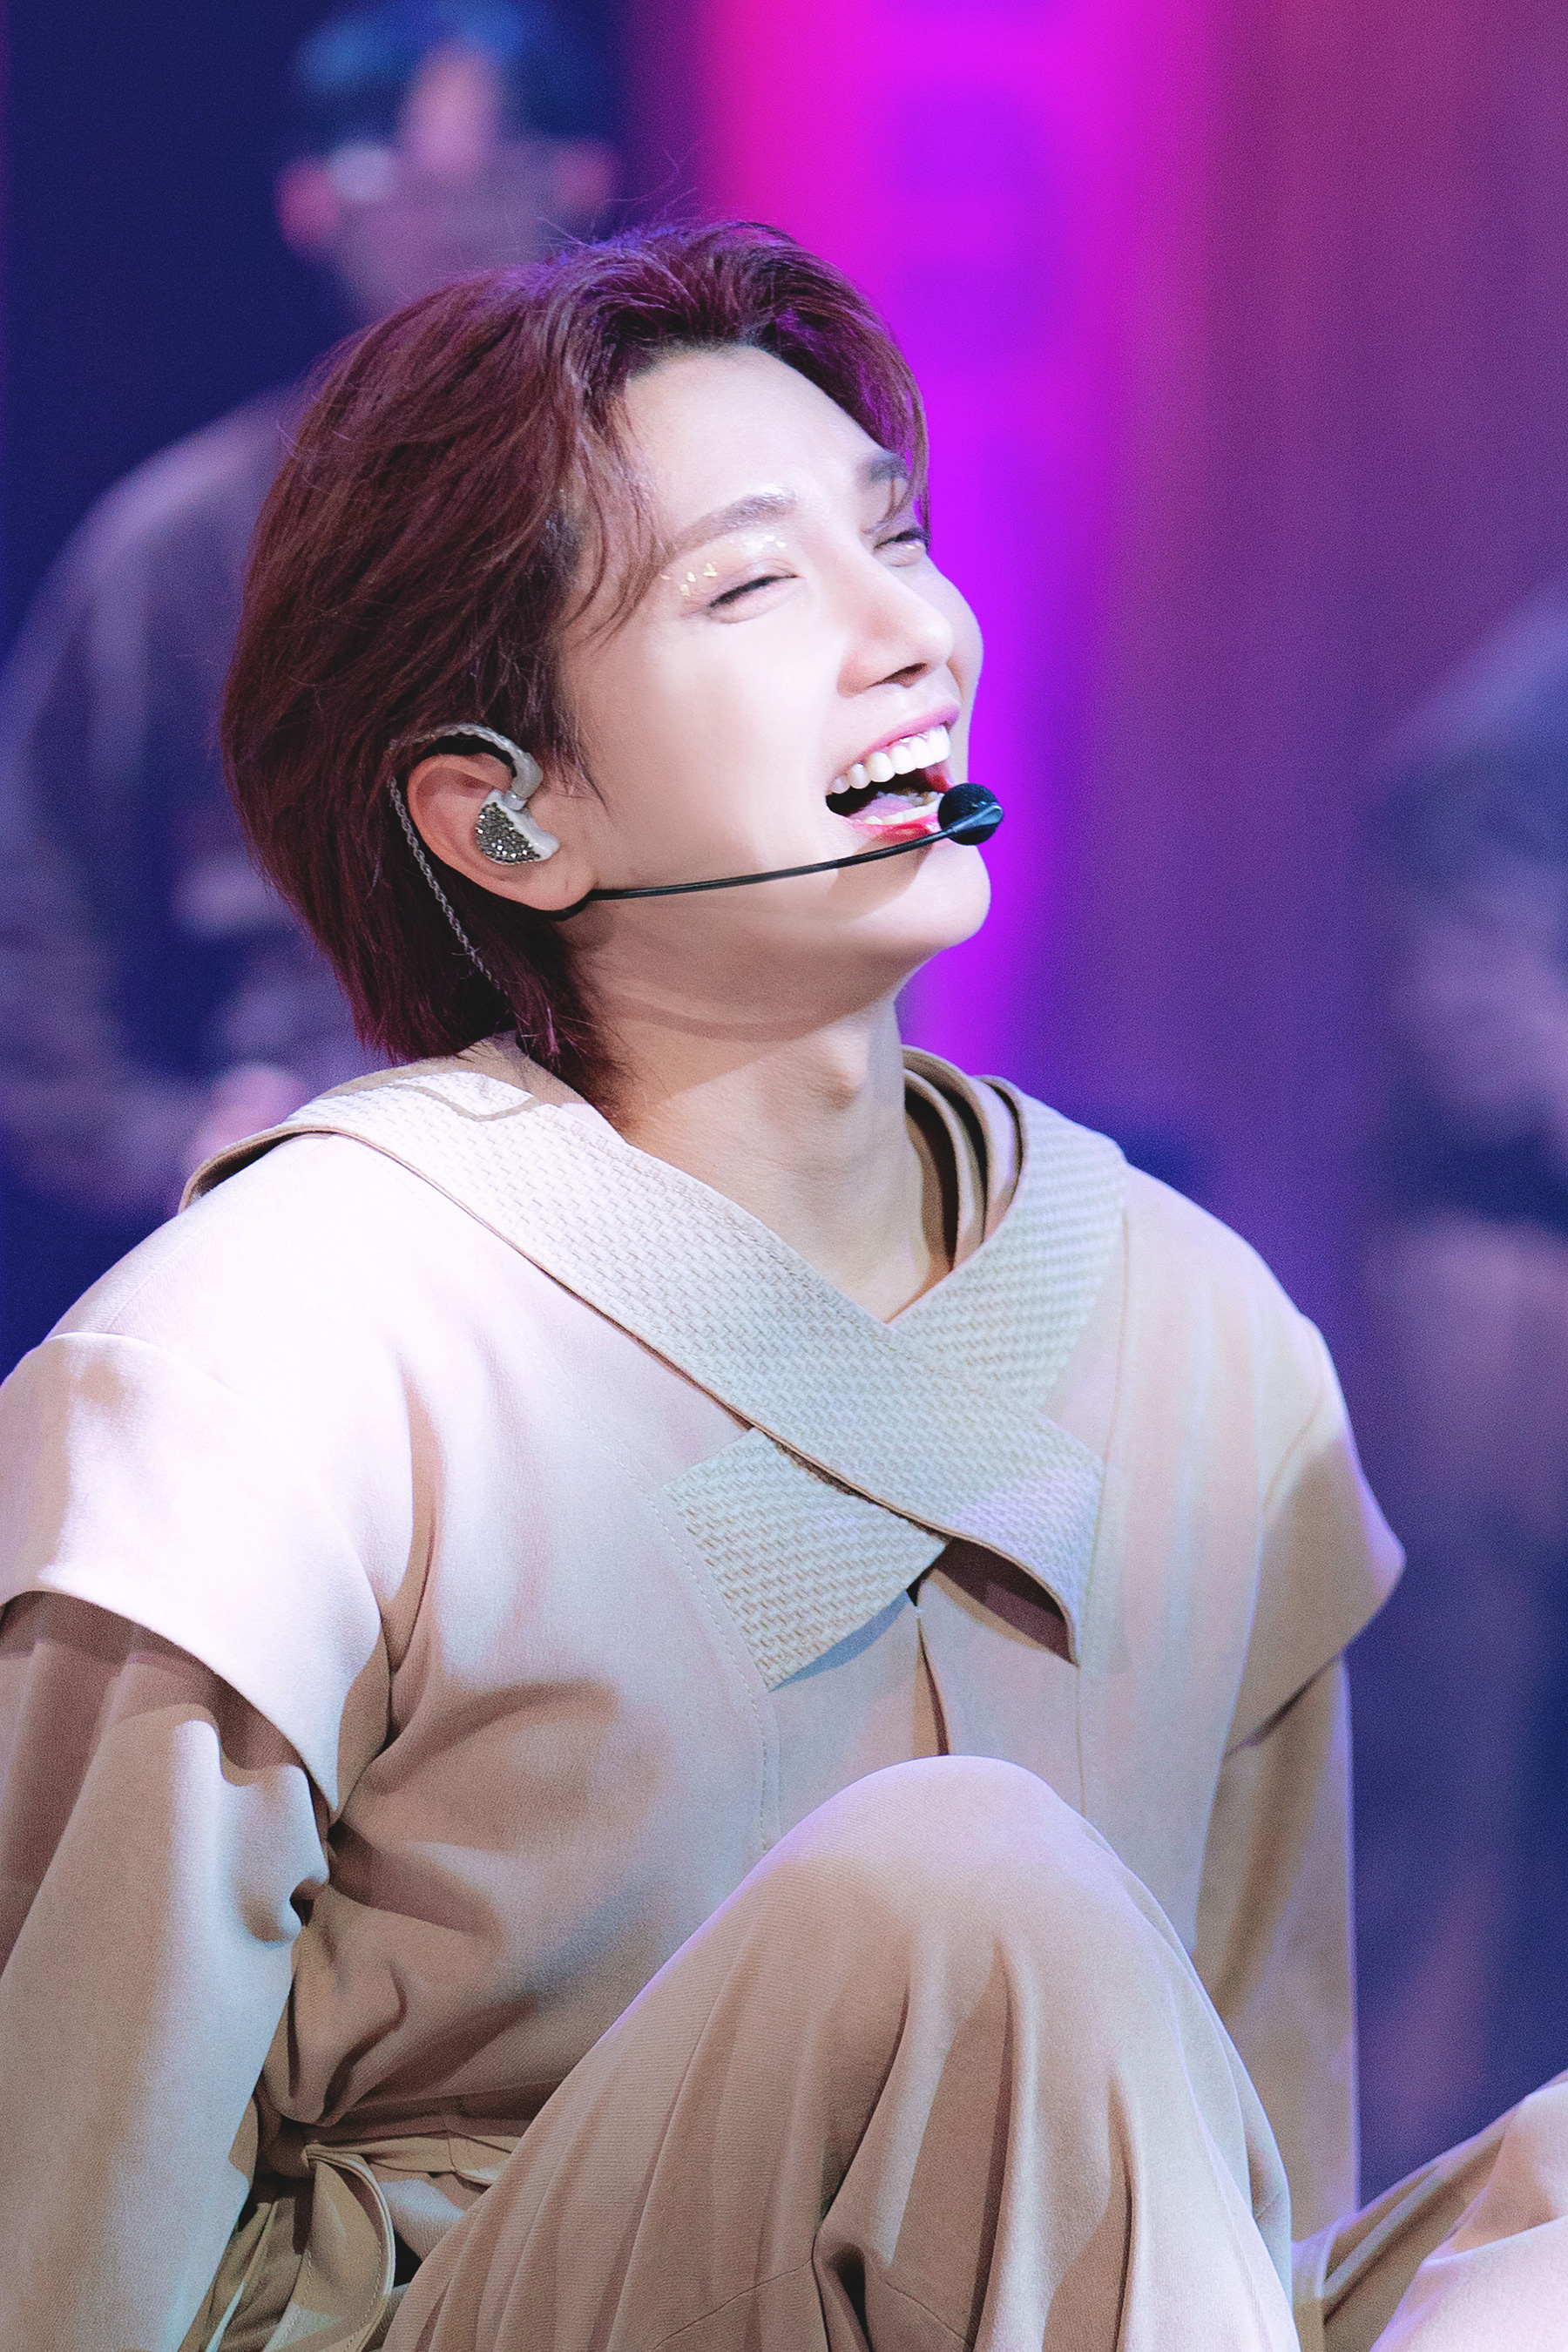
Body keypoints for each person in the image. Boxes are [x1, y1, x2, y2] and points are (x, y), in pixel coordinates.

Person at [0, 225, 1402, 2350]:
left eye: (895, 540)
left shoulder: (1206, 1333)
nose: (915, 635)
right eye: (752, 588)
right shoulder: (265, 1357)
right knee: (969, 1892)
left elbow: (1253, 2203)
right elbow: (62, 2262)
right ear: (505, 819)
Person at [0, 1, 617, 1310]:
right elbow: (31, 877)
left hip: (651, 1156)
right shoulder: (190, 538)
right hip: (333, 1191)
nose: (452, 223)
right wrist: (154, 1134)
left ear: (579, 180)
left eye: (495, 174)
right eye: (398, 180)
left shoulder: (665, 495)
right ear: (310, 204)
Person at [1348, 590, 1568, 2181]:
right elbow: (1478, 1009)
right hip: (1506, 1282)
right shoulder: (1521, 723)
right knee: (1455, 1809)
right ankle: (1391, 2217)